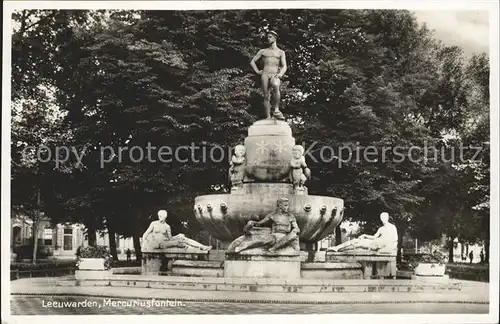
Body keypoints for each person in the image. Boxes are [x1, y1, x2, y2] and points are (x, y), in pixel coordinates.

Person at [227, 198, 300, 253]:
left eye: (288, 205)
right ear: (279, 205)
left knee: (294, 234)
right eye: (285, 205)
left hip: (286, 236)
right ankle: (242, 247)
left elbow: (296, 228)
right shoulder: (272, 215)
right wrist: (252, 223)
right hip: (274, 236)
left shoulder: (291, 216)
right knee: (262, 240)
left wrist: (296, 229)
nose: (287, 207)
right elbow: (259, 223)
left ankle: (274, 248)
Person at [250, 30, 287, 120]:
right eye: (267, 37)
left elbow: (284, 66)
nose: (268, 38)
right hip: (265, 74)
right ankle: (268, 117)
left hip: (274, 74)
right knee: (266, 96)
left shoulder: (280, 52)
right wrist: (258, 71)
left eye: (270, 37)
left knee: (275, 85)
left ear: (275, 38)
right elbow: (252, 62)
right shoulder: (263, 51)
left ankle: (276, 109)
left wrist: (280, 74)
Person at [142, 210, 212, 251]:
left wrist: (178, 236)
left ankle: (202, 247)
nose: (159, 217)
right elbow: (146, 233)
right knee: (180, 242)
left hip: (166, 242)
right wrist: (144, 243)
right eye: (159, 216)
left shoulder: (167, 226)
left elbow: (170, 238)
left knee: (183, 238)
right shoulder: (154, 223)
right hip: (160, 244)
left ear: (165, 217)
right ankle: (199, 248)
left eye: (161, 216)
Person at [328, 212, 398, 254]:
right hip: (375, 242)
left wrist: (389, 247)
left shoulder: (392, 227)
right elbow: (374, 237)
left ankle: (337, 248)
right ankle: (337, 248)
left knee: (358, 243)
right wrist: (364, 235)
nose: (383, 219)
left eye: (384, 217)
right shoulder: (381, 228)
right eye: (381, 218)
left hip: (378, 245)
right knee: (356, 241)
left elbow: (395, 240)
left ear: (388, 218)